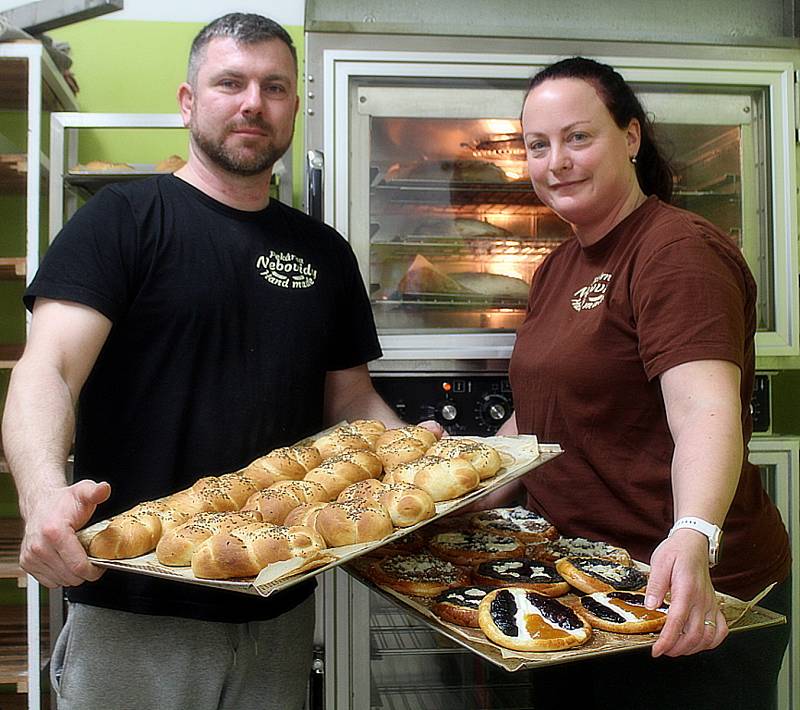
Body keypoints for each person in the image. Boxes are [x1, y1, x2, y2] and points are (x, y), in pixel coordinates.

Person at [1, 13, 438, 710]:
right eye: (229, 82)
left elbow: (350, 401)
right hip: (135, 610)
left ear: (294, 105)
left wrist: (417, 454)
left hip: (279, 604)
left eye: (273, 87)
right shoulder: (124, 219)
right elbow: (46, 367)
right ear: (188, 101)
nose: (251, 103)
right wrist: (42, 495)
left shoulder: (323, 252)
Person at [488, 57, 791, 709]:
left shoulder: (675, 252)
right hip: (588, 583)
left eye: (578, 137)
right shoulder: (558, 266)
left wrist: (693, 533)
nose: (556, 161)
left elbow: (705, 414)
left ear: (630, 137)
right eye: (538, 146)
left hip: (685, 598)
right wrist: (461, 479)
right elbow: (542, 415)